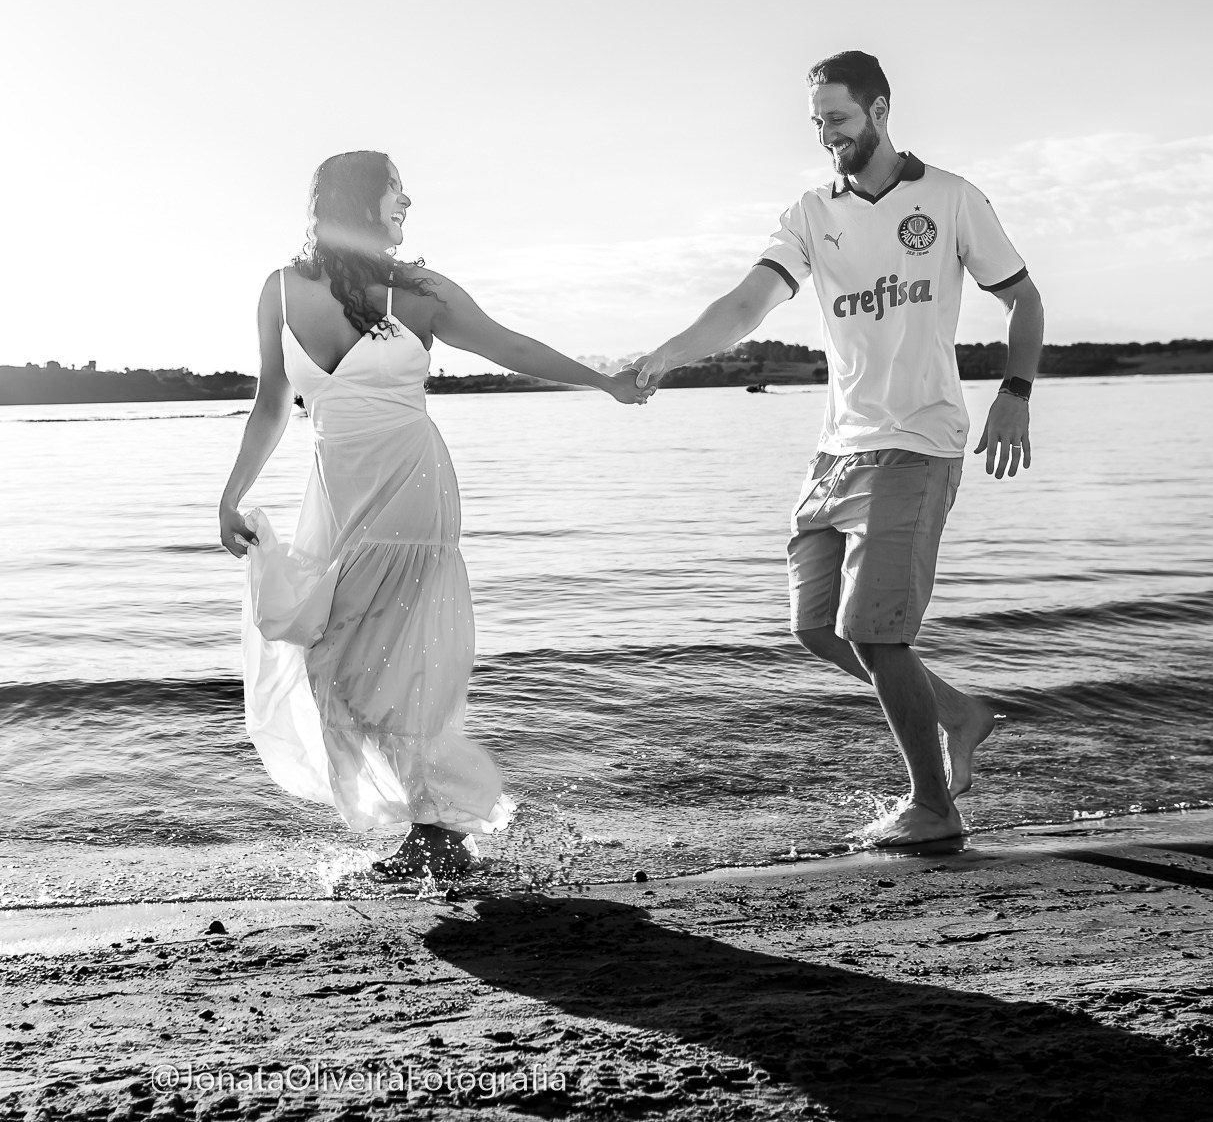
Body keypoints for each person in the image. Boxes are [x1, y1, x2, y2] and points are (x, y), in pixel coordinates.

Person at [634, 51, 1044, 848]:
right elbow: (751, 300)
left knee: (876, 631)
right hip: (839, 447)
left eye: (840, 121)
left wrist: (1015, 393)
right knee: (815, 624)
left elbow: (1023, 297)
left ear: (881, 110)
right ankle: (957, 713)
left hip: (919, 438)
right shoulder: (811, 213)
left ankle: (934, 807)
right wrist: (670, 352)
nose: (828, 137)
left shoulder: (951, 198)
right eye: (818, 123)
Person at [219, 151, 649, 878]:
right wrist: (230, 492)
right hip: (336, 492)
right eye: (396, 192)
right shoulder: (280, 290)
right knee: (332, 662)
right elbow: (272, 401)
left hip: (411, 489)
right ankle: (437, 825)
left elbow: (509, 346)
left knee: (405, 661)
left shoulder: (416, 291)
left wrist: (603, 381)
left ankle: (436, 833)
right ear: (360, 205)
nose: (407, 203)